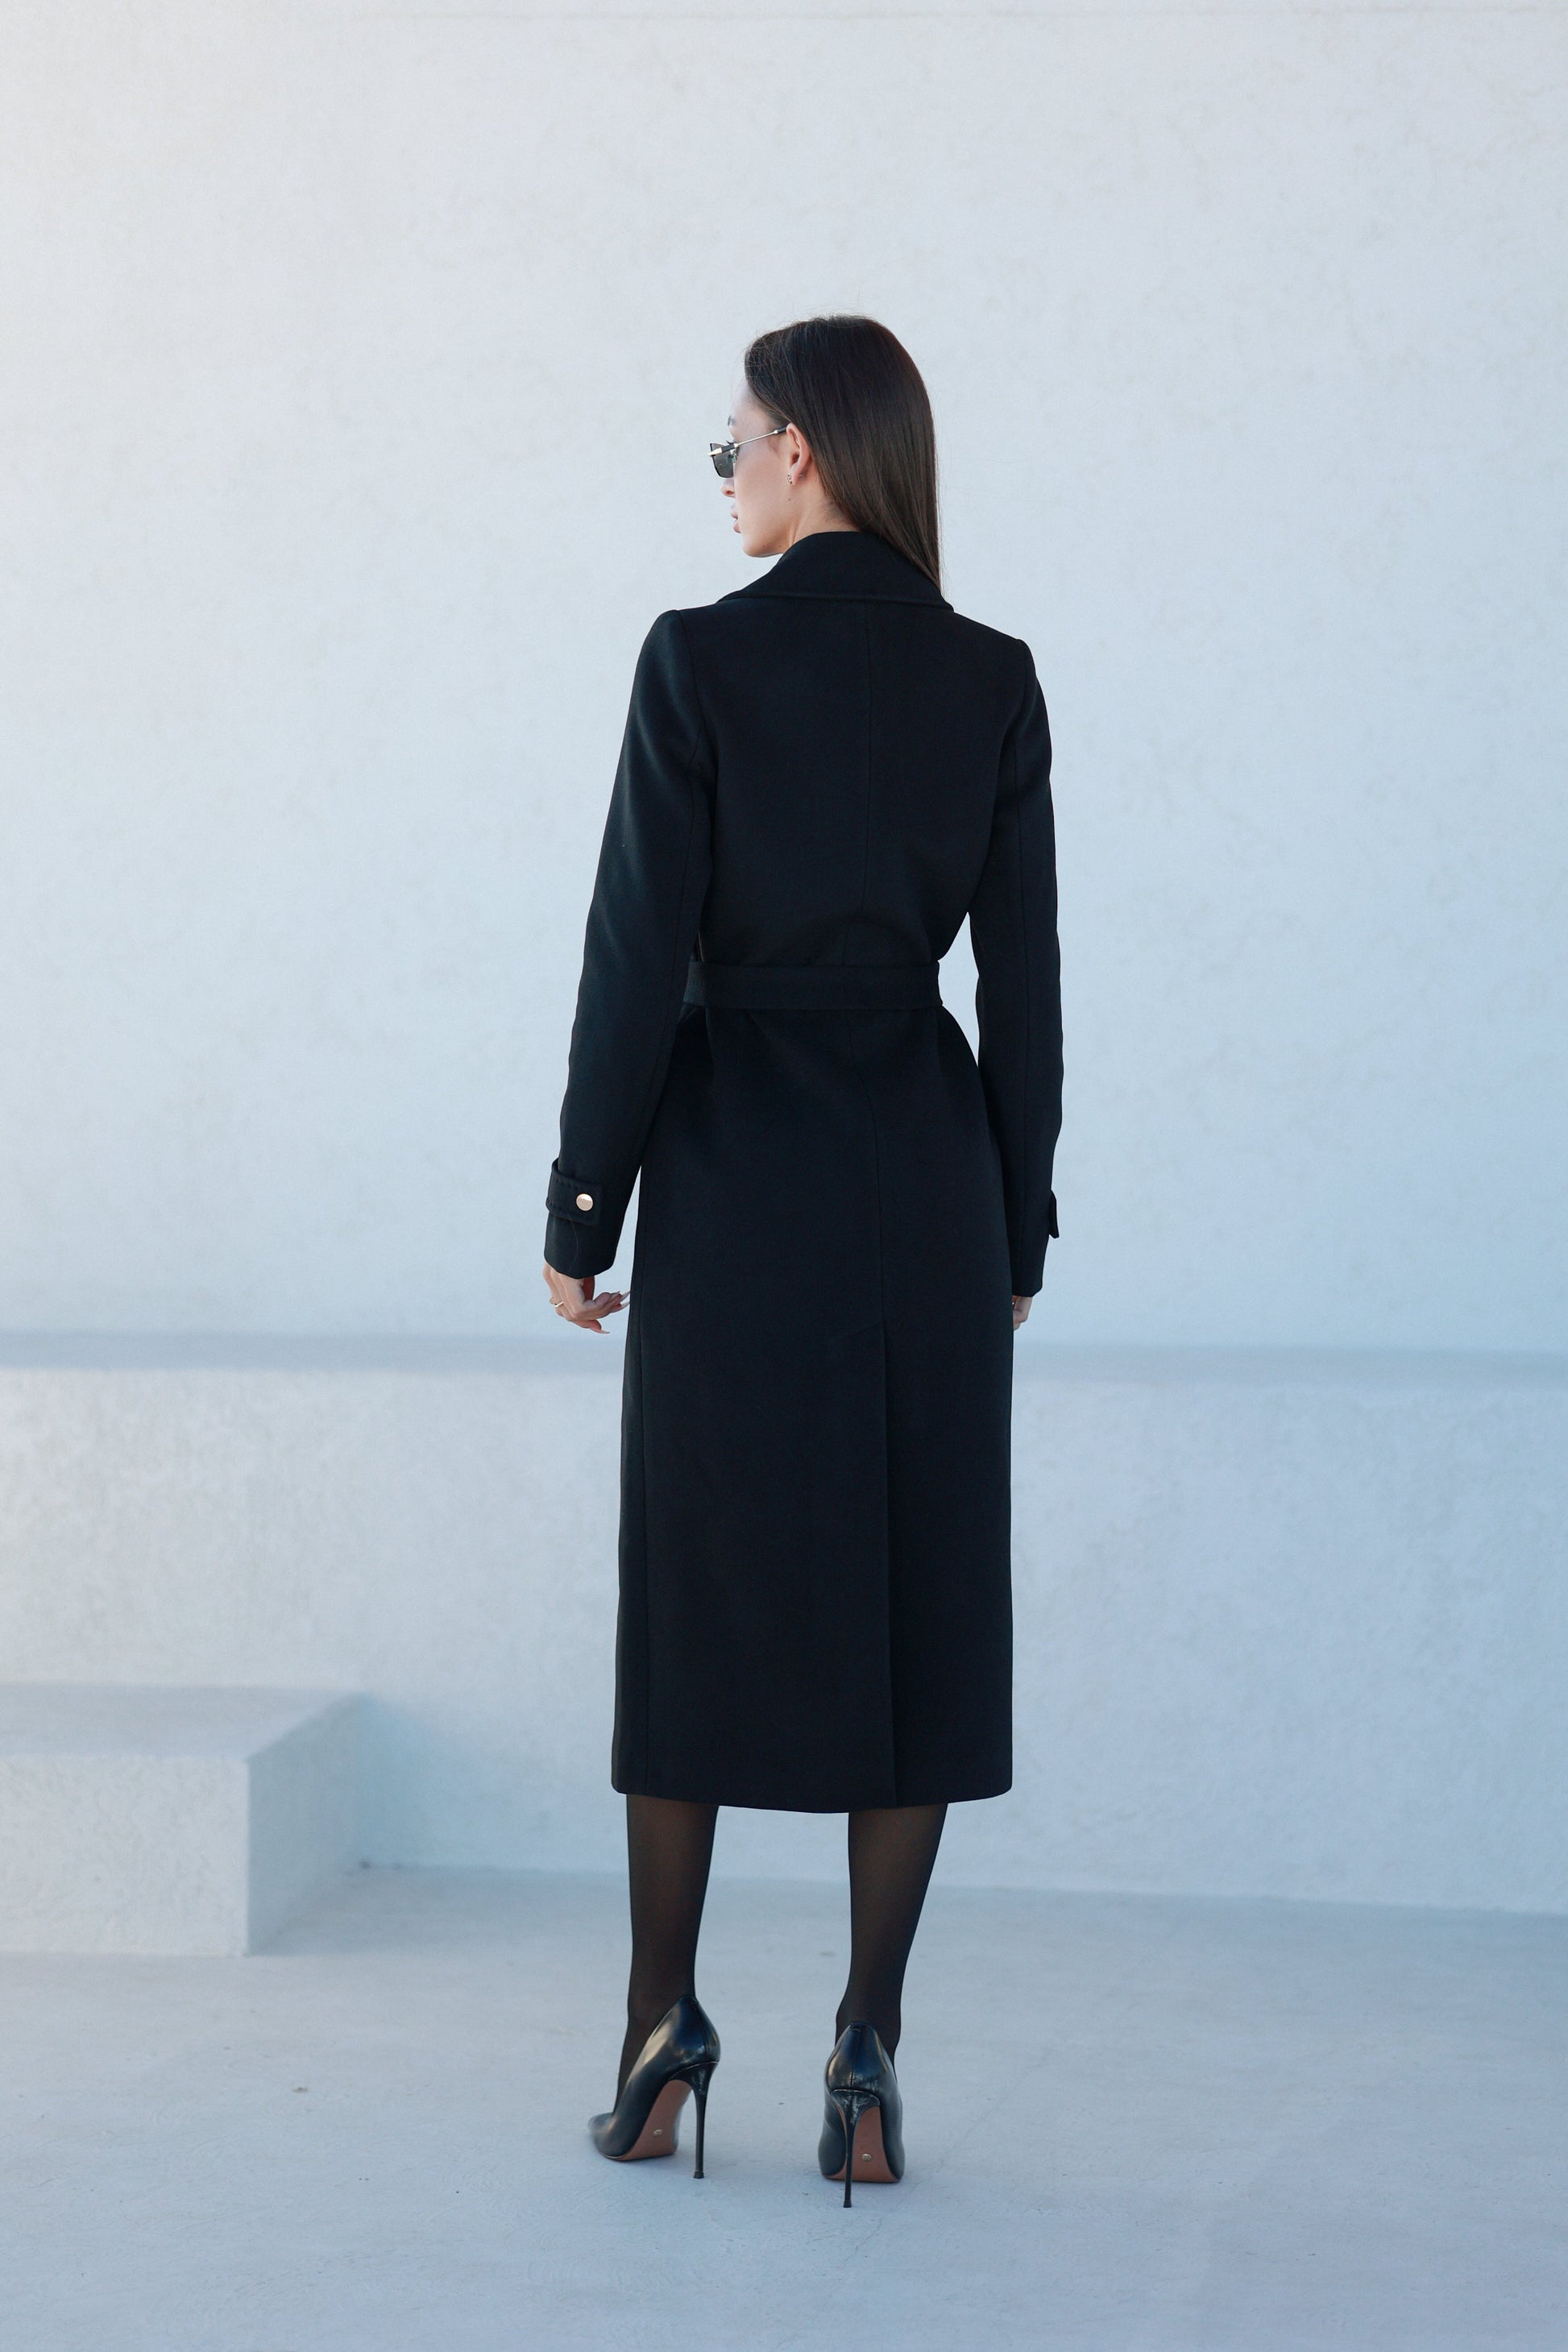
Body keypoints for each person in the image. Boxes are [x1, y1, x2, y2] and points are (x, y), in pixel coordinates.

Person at [542, 314, 1062, 2204]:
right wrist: (1016, 1216)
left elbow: (633, 957)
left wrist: (583, 1205)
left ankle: (657, 2031)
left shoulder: (696, 659)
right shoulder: (990, 677)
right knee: (916, 1593)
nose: (726, 476)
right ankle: (865, 2051)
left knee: (695, 1586)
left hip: (733, 1168)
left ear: (806, 454)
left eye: (733, 445)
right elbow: (1025, 986)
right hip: (924, 1176)